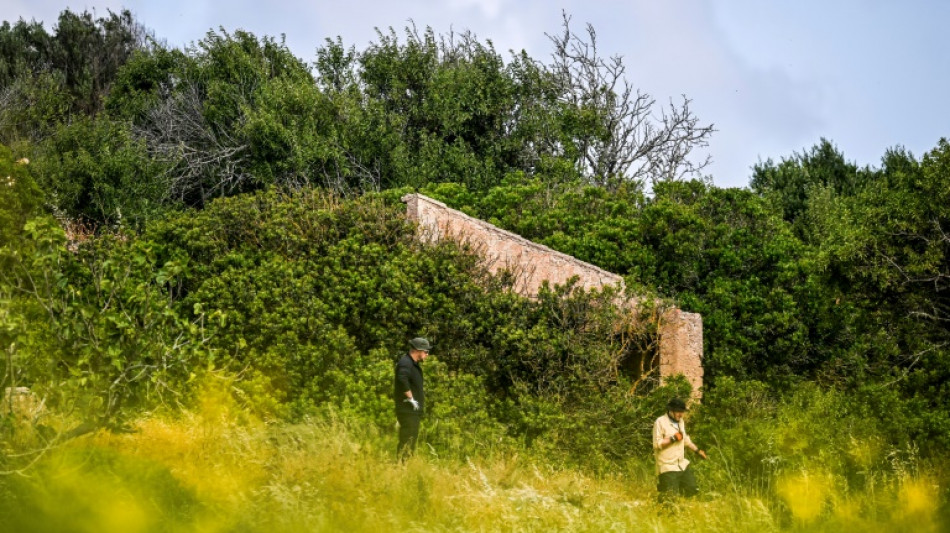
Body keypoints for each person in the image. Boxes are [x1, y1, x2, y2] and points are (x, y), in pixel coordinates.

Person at [653, 397, 707, 499]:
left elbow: (685, 439)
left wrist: (697, 450)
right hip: (667, 466)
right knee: (670, 498)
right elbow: (657, 444)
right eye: (678, 411)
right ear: (671, 410)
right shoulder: (660, 422)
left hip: (681, 464)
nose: (681, 414)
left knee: (691, 490)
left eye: (682, 411)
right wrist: (673, 438)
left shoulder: (680, 421)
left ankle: (683, 510)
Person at [393, 337, 430, 460]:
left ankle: (404, 465)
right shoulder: (406, 362)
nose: (427, 354)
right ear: (418, 350)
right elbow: (402, 379)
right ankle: (401, 467)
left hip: (412, 411)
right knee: (407, 440)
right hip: (407, 409)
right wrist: (411, 399)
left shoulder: (412, 364)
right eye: (425, 351)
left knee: (411, 439)